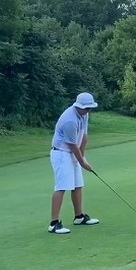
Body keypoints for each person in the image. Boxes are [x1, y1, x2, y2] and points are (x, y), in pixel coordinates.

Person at [48, 92, 101, 234]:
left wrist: (83, 156)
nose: (89, 111)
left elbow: (84, 136)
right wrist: (83, 163)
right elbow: (72, 145)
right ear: (79, 106)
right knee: (62, 186)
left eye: (90, 108)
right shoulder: (69, 120)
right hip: (61, 153)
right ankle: (54, 223)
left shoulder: (84, 114)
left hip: (72, 151)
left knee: (78, 184)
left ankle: (79, 217)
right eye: (87, 108)